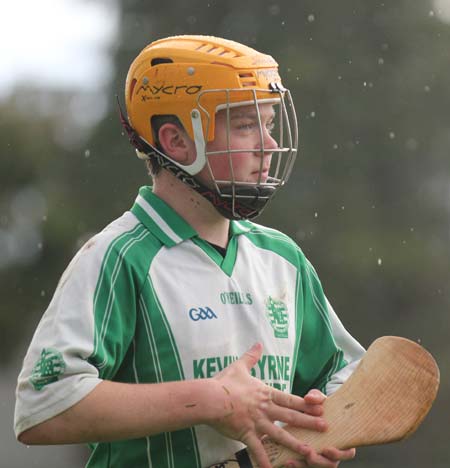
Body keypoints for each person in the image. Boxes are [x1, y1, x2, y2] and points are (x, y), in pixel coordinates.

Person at [14, 35, 365, 468]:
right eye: (245, 126)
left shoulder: (283, 259)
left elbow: (347, 376)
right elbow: (41, 405)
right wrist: (208, 400)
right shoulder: (118, 258)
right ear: (177, 141)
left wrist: (313, 433)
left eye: (269, 124)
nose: (269, 146)